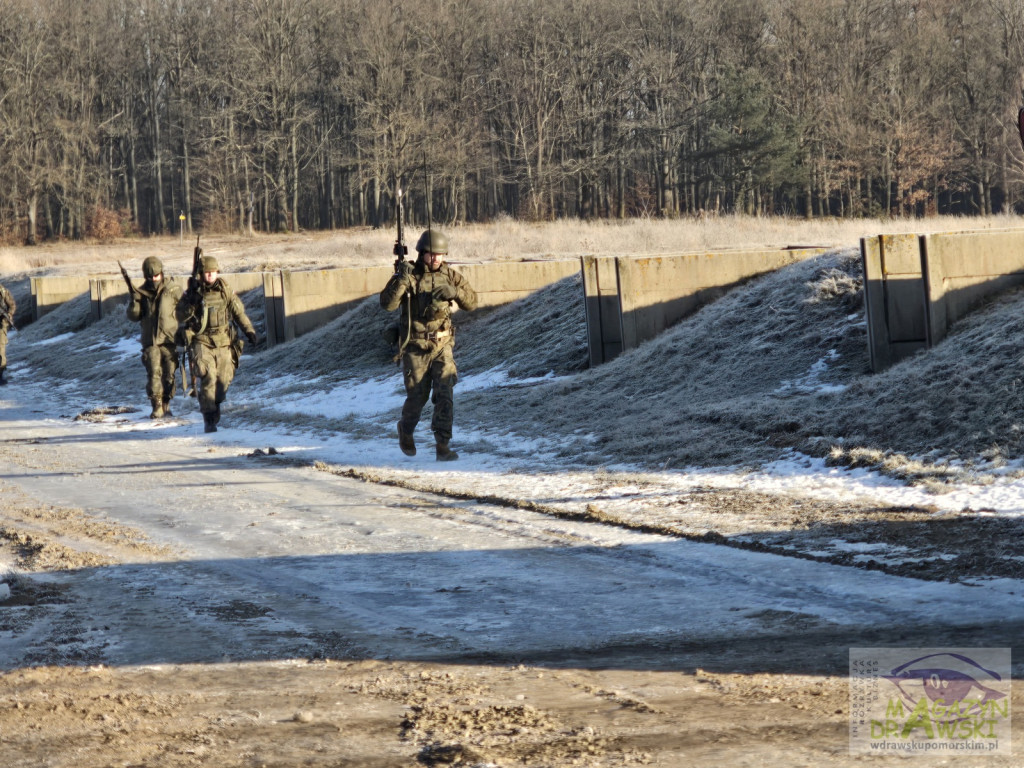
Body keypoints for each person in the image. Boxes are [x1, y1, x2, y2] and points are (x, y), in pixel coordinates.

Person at [380, 229, 477, 461]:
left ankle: (442, 445)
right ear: (422, 253)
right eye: (431, 254)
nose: (435, 259)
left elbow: (472, 302)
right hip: (415, 346)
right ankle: (406, 429)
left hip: (442, 345)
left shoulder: (451, 276)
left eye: (440, 255)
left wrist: (456, 292)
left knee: (445, 394)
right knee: (418, 396)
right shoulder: (410, 275)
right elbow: (387, 305)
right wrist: (400, 279)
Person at [176, 255, 258, 433]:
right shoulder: (193, 293)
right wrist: (191, 302)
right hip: (201, 341)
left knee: (223, 381)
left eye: (213, 272)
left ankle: (216, 405)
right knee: (208, 377)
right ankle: (209, 418)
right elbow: (180, 316)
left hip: (223, 342)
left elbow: (238, 312)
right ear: (200, 274)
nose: (210, 276)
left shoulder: (224, 290)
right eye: (206, 273)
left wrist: (249, 330)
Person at [126, 257, 183, 418]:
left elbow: (184, 311)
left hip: (170, 340)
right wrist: (134, 302)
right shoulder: (141, 293)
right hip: (150, 341)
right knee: (154, 373)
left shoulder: (173, 290)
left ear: (161, 273)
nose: (154, 279)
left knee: (169, 374)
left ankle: (166, 404)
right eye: (150, 277)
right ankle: (156, 406)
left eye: (156, 276)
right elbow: (134, 316)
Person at [0, 280, 15, 385]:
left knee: (0, 351)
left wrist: (7, 315)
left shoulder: (3, 291)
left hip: (1, 325)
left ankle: (1, 374)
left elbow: (12, 306)